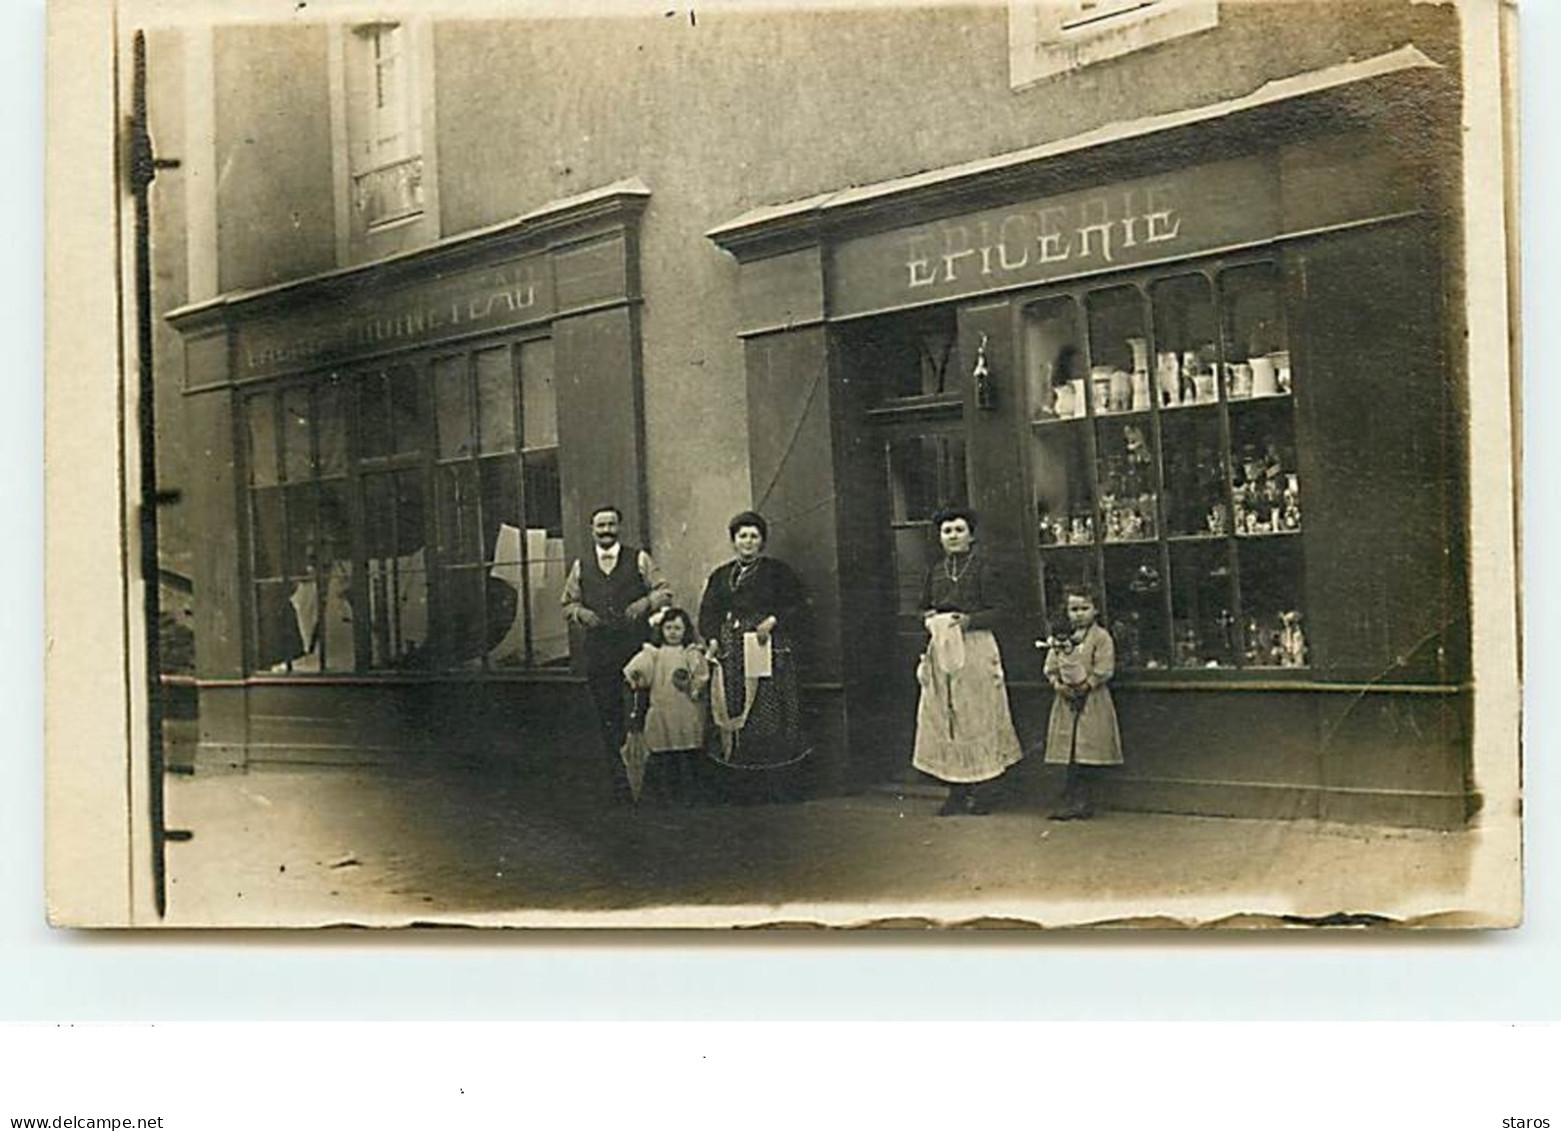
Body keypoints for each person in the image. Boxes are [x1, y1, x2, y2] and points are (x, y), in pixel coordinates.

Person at [911, 506, 1024, 816]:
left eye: (959, 530)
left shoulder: (984, 567)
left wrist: (970, 620)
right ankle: (956, 791)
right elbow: (923, 606)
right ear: (940, 537)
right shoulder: (935, 571)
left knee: (978, 713)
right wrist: (930, 617)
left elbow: (1003, 611)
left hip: (975, 646)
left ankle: (986, 790)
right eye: (947, 531)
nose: (953, 536)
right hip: (942, 647)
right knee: (947, 716)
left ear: (971, 535)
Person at [561, 504, 673, 804]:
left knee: (643, 710)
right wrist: (581, 613)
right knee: (608, 716)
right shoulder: (581, 565)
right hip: (599, 652)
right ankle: (618, 785)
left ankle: (649, 783)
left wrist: (645, 603)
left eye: (611, 525)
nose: (606, 530)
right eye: (601, 526)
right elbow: (567, 603)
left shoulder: (638, 558)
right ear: (592, 530)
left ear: (619, 527)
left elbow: (664, 591)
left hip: (635, 649)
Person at [697, 510, 811, 799]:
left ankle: (774, 784)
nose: (748, 542)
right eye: (742, 536)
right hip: (732, 652)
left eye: (754, 536)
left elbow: (800, 604)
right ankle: (741, 786)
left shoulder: (777, 571)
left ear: (762, 541)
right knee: (736, 709)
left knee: (767, 710)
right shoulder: (721, 575)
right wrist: (712, 640)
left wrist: (773, 621)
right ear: (733, 541)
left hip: (767, 647)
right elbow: (708, 612)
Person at [1043, 585, 1124, 820]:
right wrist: (1058, 684)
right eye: (1073, 609)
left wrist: (1086, 685)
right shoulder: (1062, 638)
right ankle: (1069, 797)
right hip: (1066, 700)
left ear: (1095, 610)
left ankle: (1084, 800)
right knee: (1069, 751)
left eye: (1084, 608)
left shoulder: (1101, 638)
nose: (1079, 614)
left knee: (1087, 750)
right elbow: (1051, 666)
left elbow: (1105, 668)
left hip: (1092, 699)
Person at [623, 608, 709, 806]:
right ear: (661, 630)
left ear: (685, 630)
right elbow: (638, 673)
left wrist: (694, 686)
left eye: (678, 628)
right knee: (662, 750)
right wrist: (636, 676)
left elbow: (701, 677)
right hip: (662, 709)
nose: (672, 632)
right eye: (668, 628)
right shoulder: (654, 653)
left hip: (687, 710)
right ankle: (663, 796)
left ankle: (689, 796)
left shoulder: (691, 653)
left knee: (687, 748)